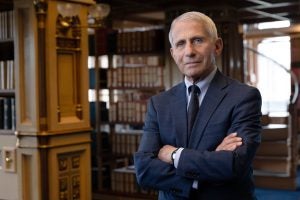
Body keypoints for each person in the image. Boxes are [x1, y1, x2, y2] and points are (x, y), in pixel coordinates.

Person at [134, 11, 262, 200]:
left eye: (198, 40)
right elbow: (144, 170)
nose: (189, 51)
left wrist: (175, 155)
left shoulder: (244, 97)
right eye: (180, 44)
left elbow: (233, 164)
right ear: (173, 53)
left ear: (217, 46)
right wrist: (203, 172)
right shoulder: (159, 103)